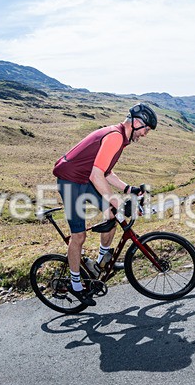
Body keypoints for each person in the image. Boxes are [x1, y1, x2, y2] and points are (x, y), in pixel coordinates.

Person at [52, 103, 156, 305]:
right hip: (70, 182)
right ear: (136, 123)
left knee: (112, 213)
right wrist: (115, 199)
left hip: (84, 180)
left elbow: (106, 172)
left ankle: (101, 261)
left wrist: (128, 189)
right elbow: (96, 174)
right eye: (146, 129)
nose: (145, 135)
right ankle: (76, 285)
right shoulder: (115, 136)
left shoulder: (120, 138)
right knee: (79, 236)